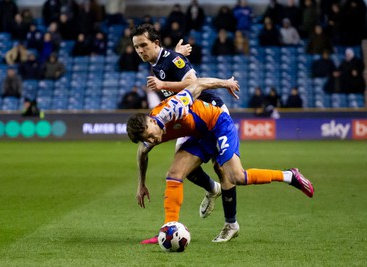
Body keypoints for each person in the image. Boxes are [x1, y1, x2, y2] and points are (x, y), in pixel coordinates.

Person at [126, 77, 314, 242]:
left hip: (218, 124)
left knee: (237, 177)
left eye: (150, 135)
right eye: (147, 139)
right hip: (199, 135)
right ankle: (170, 229)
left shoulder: (172, 108)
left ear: (151, 121)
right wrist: (141, 184)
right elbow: (142, 152)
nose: (153, 140)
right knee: (174, 174)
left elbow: (197, 84)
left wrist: (227, 83)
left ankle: (289, 176)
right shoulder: (150, 134)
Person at [131, 24, 236, 244]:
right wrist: (141, 182)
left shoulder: (169, 60)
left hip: (209, 112)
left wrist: (163, 83)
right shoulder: (158, 62)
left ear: (156, 43)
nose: (140, 50)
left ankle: (230, 224)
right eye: (136, 47)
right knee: (181, 170)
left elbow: (193, 83)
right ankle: (206, 195)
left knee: (222, 168)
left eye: (143, 45)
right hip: (185, 118)